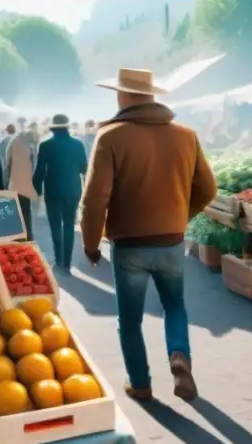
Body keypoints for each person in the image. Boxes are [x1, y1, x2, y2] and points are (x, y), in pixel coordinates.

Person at [81, 68, 216, 402]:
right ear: (152, 96)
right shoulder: (186, 135)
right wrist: (180, 217)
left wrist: (91, 245)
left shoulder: (111, 137)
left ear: (123, 96)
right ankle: (179, 355)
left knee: (129, 319)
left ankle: (140, 383)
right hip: (171, 241)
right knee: (175, 306)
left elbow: (94, 201)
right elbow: (208, 190)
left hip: (130, 246)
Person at [33, 114, 88, 270]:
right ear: (67, 127)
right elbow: (84, 168)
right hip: (73, 190)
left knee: (55, 226)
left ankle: (58, 260)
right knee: (69, 225)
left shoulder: (45, 146)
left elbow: (40, 172)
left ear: (52, 128)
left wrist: (36, 190)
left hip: (53, 191)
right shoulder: (78, 144)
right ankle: (67, 262)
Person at [6, 122, 38, 239]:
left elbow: (8, 163)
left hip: (14, 183)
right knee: (26, 211)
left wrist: (6, 181)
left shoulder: (14, 143)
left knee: (16, 211)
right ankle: (28, 235)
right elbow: (33, 164)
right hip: (26, 183)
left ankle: (18, 235)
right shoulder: (30, 145)